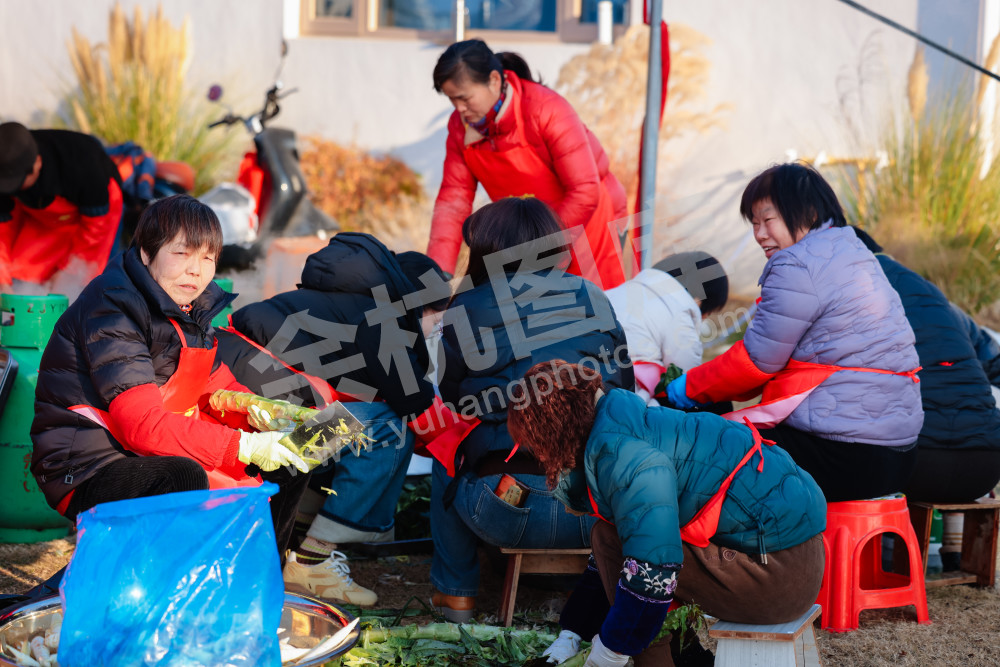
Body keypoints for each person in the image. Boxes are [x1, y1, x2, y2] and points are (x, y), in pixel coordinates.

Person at [30, 194, 309, 558]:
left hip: (142, 449)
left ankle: (252, 582)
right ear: (146, 253)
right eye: (182, 254)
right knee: (181, 476)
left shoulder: (189, 306)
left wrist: (258, 410)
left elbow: (209, 381)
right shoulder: (113, 309)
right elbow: (141, 425)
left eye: (208, 257)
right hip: (88, 465)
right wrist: (241, 446)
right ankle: (166, 591)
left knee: (291, 459)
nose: (196, 270)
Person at [508, 360, 826, 667]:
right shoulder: (626, 421)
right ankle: (688, 657)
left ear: (553, 433)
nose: (539, 457)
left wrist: (612, 649)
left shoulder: (622, 455)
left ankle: (661, 662)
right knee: (619, 540)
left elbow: (652, 567)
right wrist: (573, 631)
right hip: (793, 559)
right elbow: (622, 545)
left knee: (633, 558)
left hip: (779, 577)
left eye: (536, 446)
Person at [215, 233, 459, 607]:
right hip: (260, 415)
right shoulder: (384, 319)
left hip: (237, 401)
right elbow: (415, 406)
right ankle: (314, 559)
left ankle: (298, 529)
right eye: (437, 318)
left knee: (358, 424)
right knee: (386, 428)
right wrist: (463, 446)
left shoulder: (345, 304)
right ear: (421, 306)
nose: (436, 329)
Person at [666, 163, 924, 502]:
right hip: (899, 454)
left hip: (844, 454)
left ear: (809, 212)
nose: (759, 234)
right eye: (754, 223)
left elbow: (756, 362)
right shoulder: (851, 251)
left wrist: (691, 387)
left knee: (707, 455)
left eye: (768, 220)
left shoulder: (798, 264)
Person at [431, 196, 634, 622]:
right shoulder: (591, 295)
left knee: (445, 453)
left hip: (510, 504)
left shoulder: (466, 307)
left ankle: (456, 598)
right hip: (598, 510)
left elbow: (452, 400)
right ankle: (582, 593)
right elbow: (622, 389)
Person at [429, 39, 630, 288]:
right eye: (452, 100)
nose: (459, 109)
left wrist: (537, 247)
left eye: (464, 98)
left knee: (594, 311)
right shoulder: (461, 127)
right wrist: (438, 274)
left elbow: (585, 191)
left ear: (493, 80)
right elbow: (453, 200)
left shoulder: (545, 109)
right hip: (529, 240)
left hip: (587, 223)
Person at [853, 227, 1000, 503]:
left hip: (916, 466)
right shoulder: (936, 299)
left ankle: (885, 543)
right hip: (988, 464)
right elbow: (992, 356)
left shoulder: (853, 295)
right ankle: (952, 543)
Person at [0, 121, 124, 297]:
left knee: (85, 286)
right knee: (21, 271)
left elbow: (95, 230)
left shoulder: (82, 165)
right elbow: (2, 230)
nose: (9, 189)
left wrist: (68, 272)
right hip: (44, 216)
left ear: (37, 164)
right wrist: (3, 283)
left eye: (16, 183)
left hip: (97, 214)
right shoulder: (6, 160)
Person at [605, 251, 729, 405]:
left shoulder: (624, 289)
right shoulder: (681, 313)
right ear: (699, 301)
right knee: (716, 404)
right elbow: (686, 377)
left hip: (582, 376)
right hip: (621, 399)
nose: (704, 317)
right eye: (709, 312)